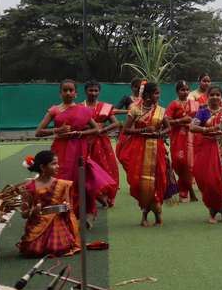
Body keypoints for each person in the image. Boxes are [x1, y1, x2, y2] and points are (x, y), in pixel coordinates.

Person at [35, 79, 116, 229]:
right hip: (60, 150)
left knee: (81, 183)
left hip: (79, 149)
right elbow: (38, 132)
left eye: (71, 90)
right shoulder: (54, 110)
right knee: (60, 181)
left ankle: (87, 214)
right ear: (60, 93)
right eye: (65, 90)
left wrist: (81, 133)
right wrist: (56, 131)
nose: (68, 93)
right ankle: (61, 217)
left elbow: (96, 130)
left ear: (76, 93)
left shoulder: (84, 110)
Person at [119, 82, 172, 227]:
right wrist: (143, 131)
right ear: (147, 95)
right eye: (156, 93)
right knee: (140, 183)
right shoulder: (135, 109)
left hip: (157, 149)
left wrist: (159, 133)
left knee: (157, 182)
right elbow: (126, 130)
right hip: (139, 150)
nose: (158, 96)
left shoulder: (161, 110)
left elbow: (169, 128)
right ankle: (146, 213)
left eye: (159, 93)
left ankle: (155, 215)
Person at [190, 85, 222, 223]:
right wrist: (208, 129)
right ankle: (212, 211)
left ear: (221, 97)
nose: (215, 97)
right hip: (206, 149)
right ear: (208, 96)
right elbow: (192, 127)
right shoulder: (202, 112)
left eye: (217, 95)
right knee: (210, 182)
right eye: (212, 95)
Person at [17, 150, 82, 258]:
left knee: (59, 247)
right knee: (33, 250)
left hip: (57, 223)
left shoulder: (62, 184)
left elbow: (69, 210)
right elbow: (23, 214)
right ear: (42, 167)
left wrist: (66, 208)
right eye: (54, 164)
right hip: (37, 224)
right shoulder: (29, 187)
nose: (58, 166)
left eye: (57, 163)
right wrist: (33, 211)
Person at [83, 80, 121, 207]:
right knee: (89, 169)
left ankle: (107, 196)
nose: (93, 93)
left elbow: (116, 123)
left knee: (107, 168)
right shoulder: (79, 107)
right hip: (85, 142)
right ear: (85, 91)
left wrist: (102, 129)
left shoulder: (105, 107)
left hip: (102, 142)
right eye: (90, 90)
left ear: (99, 92)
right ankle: (95, 196)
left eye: (96, 90)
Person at [165, 80, 199, 202]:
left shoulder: (195, 104)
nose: (185, 92)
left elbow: (199, 119)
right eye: (182, 90)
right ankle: (188, 190)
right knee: (179, 162)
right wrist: (180, 121)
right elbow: (166, 121)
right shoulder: (173, 104)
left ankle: (183, 192)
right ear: (177, 91)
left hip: (192, 137)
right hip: (177, 138)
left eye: (186, 89)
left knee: (190, 165)